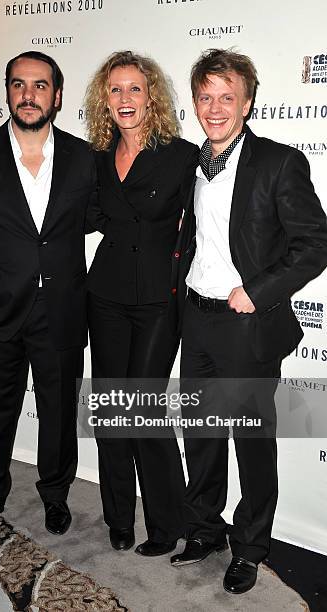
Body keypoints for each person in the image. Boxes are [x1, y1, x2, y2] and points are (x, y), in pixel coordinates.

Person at [169, 48, 327, 594]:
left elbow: (315, 244)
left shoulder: (279, 162)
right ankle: (204, 530)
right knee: (201, 433)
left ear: (248, 102)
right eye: (206, 97)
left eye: (226, 97)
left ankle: (252, 547)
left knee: (252, 443)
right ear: (195, 102)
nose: (215, 108)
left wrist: (257, 293)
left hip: (247, 326)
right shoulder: (189, 161)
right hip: (197, 317)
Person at [0, 51, 96, 538]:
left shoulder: (83, 157)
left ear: (56, 94)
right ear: (7, 91)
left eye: (39, 85)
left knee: (57, 412)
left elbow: (95, 220)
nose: (28, 95)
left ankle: (54, 495)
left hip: (61, 310)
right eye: (18, 85)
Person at [84, 50, 199, 556]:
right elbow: (88, 215)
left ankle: (165, 523)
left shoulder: (181, 154)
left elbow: (203, 228)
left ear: (151, 95)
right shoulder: (97, 157)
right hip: (105, 293)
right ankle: (118, 518)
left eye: (134, 88)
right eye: (115, 90)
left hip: (157, 298)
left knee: (144, 411)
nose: (125, 98)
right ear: (103, 100)